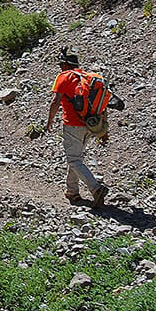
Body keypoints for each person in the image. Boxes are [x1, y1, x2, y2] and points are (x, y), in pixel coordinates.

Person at [45, 50, 109, 206]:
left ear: (66, 64)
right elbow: (104, 106)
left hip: (72, 124)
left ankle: (95, 188)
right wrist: (103, 129)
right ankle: (72, 192)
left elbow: (56, 101)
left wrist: (49, 121)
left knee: (74, 159)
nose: (60, 67)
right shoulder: (90, 79)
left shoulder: (64, 77)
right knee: (76, 159)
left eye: (61, 64)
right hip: (91, 125)